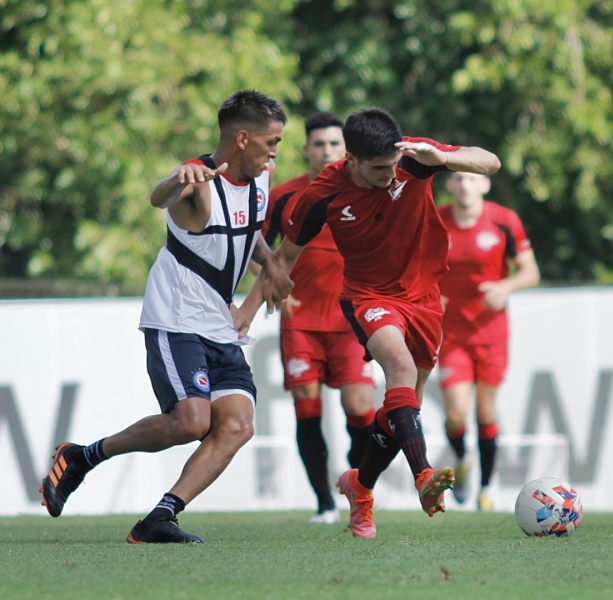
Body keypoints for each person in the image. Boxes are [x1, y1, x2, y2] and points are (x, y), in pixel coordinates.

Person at [39, 89, 292, 543]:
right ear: (241, 139)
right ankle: (82, 456)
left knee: (237, 424)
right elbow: (159, 199)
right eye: (270, 141)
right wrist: (177, 178)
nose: (275, 151)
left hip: (218, 320)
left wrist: (270, 262)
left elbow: (246, 229)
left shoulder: (262, 177)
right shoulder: (197, 184)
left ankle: (160, 517)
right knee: (192, 422)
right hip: (176, 317)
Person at [238, 107, 502, 538]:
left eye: (393, 166)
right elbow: (283, 258)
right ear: (352, 159)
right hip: (368, 299)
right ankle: (424, 475)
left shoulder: (413, 157)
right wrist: (246, 313)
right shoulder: (322, 194)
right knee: (396, 371)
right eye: (379, 169)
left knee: (401, 412)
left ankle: (359, 487)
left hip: (425, 299)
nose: (389, 175)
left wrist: (443, 158)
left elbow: (489, 162)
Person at [263, 112, 375, 524]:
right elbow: (258, 250)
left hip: (351, 321)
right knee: (307, 408)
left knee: (361, 409)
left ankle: (355, 484)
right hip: (301, 321)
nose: (327, 151)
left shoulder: (366, 190)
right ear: (306, 150)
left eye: (334, 144)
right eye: (319, 144)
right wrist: (274, 286)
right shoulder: (285, 196)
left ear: (346, 150)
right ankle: (324, 503)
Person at [437, 172, 540, 511]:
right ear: (450, 186)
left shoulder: (503, 221)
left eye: (472, 178)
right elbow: (417, 267)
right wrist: (429, 295)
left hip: (491, 330)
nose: (465, 184)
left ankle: (486, 487)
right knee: (455, 414)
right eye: (458, 179)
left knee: (485, 411)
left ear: (485, 185)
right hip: (451, 331)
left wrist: (504, 287)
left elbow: (530, 272)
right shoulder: (437, 220)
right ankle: (462, 458)